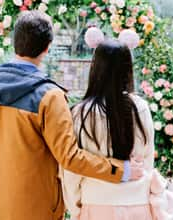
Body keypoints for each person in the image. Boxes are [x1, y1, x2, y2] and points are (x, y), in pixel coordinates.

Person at [0, 11, 144, 220]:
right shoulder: (49, 96)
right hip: (32, 208)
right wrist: (120, 170)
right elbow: (70, 157)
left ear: (15, 42)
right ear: (47, 47)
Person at [62, 40, 156, 220]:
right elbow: (147, 162)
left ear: (95, 69)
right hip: (138, 205)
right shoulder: (141, 108)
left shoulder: (81, 113)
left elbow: (72, 168)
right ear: (127, 70)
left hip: (96, 204)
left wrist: (75, 209)